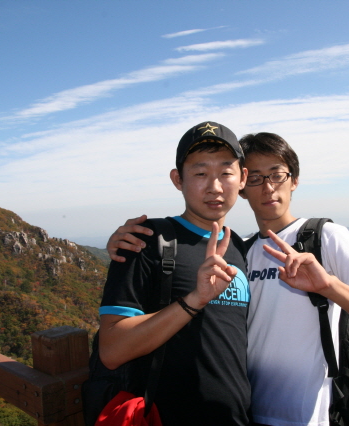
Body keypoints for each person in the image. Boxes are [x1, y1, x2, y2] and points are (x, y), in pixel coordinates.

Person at [107, 132, 349, 426]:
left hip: (310, 414)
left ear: (294, 180)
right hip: (252, 412)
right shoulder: (240, 249)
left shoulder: (325, 237)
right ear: (244, 186)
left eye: (277, 175)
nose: (268, 188)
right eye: (257, 178)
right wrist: (121, 245)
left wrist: (328, 285)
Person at [96, 121, 251, 426]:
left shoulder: (240, 248)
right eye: (200, 173)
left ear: (242, 178)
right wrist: (194, 300)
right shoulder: (146, 240)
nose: (215, 187)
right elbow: (112, 349)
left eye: (225, 173)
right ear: (178, 179)